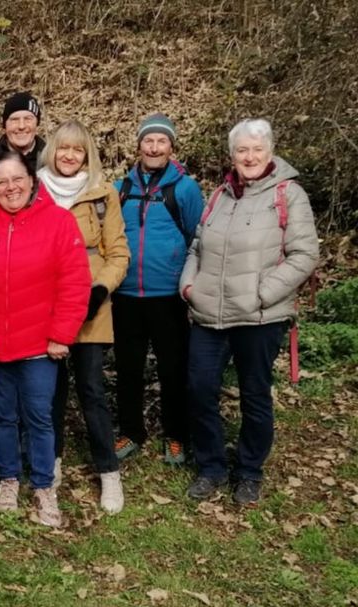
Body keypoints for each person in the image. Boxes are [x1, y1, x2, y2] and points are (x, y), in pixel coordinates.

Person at [180, 119, 318, 505]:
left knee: (254, 394)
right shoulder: (220, 195)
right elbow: (197, 246)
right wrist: (189, 286)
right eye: (242, 150)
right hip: (209, 313)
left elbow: (305, 254)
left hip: (260, 317)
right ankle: (211, 468)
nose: (250, 156)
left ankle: (249, 471)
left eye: (257, 149)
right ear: (232, 155)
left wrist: (263, 294)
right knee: (200, 388)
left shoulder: (289, 195)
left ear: (270, 151)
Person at [0, 150, 90, 528]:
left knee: (39, 416)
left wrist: (61, 334)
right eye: (1, 182)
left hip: (40, 344)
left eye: (17, 179)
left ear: (32, 181)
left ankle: (43, 486)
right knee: (2, 416)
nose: (10, 187)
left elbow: (75, 282)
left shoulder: (58, 222)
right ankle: (8, 479)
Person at [37, 120, 130, 513]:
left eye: (77, 150)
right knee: (51, 393)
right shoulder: (34, 190)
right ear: (52, 151)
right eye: (63, 148)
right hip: (45, 306)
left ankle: (108, 473)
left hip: (91, 308)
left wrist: (99, 289)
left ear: (86, 154)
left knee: (92, 390)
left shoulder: (102, 194)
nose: (69, 156)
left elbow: (119, 252)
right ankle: (51, 462)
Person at [112, 113, 205, 464]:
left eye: (161, 141)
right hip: (126, 296)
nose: (154, 147)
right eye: (148, 141)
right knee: (128, 368)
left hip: (168, 295)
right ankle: (130, 431)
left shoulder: (184, 188)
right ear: (138, 145)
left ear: (170, 146)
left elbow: (199, 236)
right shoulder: (122, 188)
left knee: (172, 368)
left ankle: (176, 435)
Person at [0, 92, 46, 174]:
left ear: (37, 123)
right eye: (14, 120)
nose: (21, 126)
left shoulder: (51, 160)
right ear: (5, 125)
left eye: (28, 119)